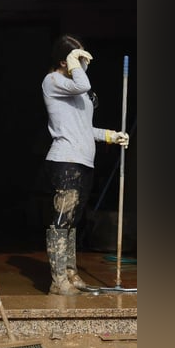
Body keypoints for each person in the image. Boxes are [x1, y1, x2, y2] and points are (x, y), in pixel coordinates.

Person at [41, 35, 129, 295]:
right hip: (65, 161)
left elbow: (82, 128)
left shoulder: (78, 91)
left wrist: (109, 136)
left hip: (84, 160)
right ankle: (58, 280)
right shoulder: (53, 81)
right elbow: (83, 83)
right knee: (61, 220)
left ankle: (70, 273)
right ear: (63, 60)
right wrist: (74, 64)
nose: (83, 63)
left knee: (73, 221)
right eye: (77, 58)